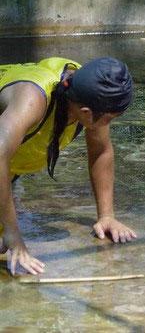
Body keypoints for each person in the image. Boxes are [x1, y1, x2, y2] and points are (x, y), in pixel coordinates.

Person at [0, 56, 137, 275]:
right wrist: (13, 235)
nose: (108, 126)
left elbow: (101, 150)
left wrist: (106, 216)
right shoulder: (33, 99)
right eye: (109, 119)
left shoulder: (86, 90)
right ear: (85, 113)